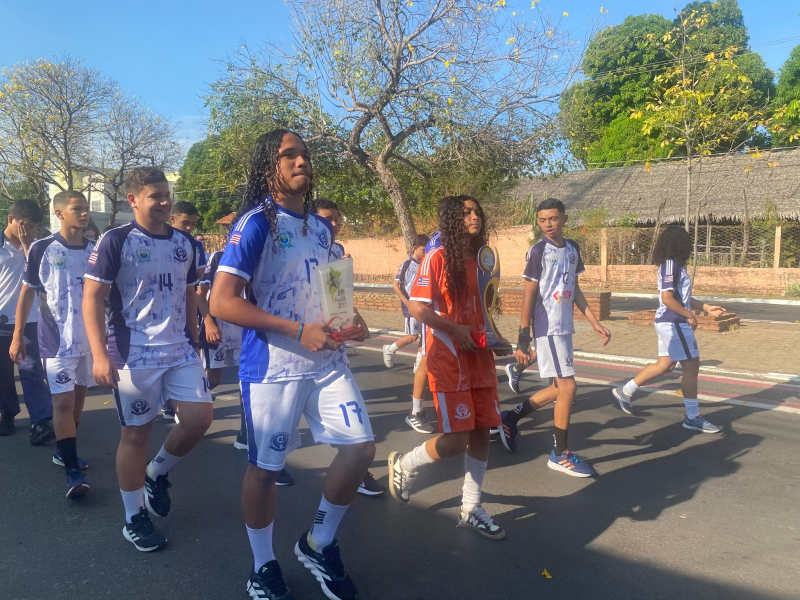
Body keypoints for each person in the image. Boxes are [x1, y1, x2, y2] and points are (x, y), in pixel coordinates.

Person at [210, 129, 375, 600]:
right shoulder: (255, 224)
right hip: (273, 368)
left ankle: (319, 542)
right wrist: (298, 330)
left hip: (326, 361)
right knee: (265, 469)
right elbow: (222, 302)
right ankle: (262, 565)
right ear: (269, 168)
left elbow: (332, 292)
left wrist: (351, 319)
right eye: (289, 155)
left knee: (360, 450)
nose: (301, 160)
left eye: (304, 154)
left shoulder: (322, 229)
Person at [83, 166, 213, 552]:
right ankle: (134, 517)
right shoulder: (116, 240)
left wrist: (194, 337)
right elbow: (92, 298)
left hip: (179, 349)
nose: (164, 202)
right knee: (136, 435)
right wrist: (99, 355)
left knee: (199, 419)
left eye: (167, 194)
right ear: (133, 200)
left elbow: (189, 292)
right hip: (133, 354)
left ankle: (156, 472)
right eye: (155, 196)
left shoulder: (185, 242)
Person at [387, 195, 511, 540]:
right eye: (466, 212)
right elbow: (418, 308)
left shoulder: (484, 260)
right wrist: (455, 330)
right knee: (458, 440)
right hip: (449, 357)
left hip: (480, 357)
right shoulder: (437, 257)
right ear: (453, 220)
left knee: (483, 432)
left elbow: (483, 310)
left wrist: (497, 337)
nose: (474, 217)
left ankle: (471, 507)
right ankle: (405, 464)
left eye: (477, 211)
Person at [498, 199, 611, 478]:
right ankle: (560, 454)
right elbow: (528, 295)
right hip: (547, 326)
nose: (548, 224)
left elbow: (575, 288)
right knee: (568, 388)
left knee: (560, 389)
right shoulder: (538, 251)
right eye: (542, 220)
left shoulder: (572, 248)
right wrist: (523, 338)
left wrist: (594, 322)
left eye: (553, 218)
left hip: (565, 327)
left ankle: (510, 417)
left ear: (564, 219)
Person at [10, 191, 94, 498]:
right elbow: (27, 293)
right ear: (59, 214)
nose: (84, 213)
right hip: (56, 341)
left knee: (79, 397)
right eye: (77, 209)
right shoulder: (42, 248)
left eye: (86, 208)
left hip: (89, 340)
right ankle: (72, 471)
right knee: (62, 402)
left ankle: (63, 449)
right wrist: (18, 335)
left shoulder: (96, 250)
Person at [613, 225, 724, 433]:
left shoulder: (673, 266)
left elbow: (681, 298)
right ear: (681, 244)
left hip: (669, 322)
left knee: (666, 364)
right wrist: (690, 315)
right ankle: (692, 417)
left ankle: (625, 390)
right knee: (691, 367)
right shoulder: (671, 265)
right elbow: (667, 299)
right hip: (674, 323)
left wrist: (706, 307)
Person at [313, 199, 384, 496]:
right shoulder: (293, 247)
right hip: (291, 355)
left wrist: (356, 320)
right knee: (271, 452)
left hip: (330, 355)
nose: (335, 224)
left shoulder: (337, 251)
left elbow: (340, 295)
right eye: (328, 219)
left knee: (356, 440)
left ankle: (359, 473)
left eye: (338, 219)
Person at [0, 200, 54, 442]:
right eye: (25, 225)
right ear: (11, 219)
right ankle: (7, 413)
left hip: (31, 320)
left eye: (32, 226)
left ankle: (40, 422)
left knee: (32, 370)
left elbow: (42, 276)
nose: (28, 230)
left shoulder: (37, 246)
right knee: (2, 374)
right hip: (2, 321)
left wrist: (27, 245)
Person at [382, 234, 436, 434]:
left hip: (423, 306)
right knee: (413, 337)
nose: (426, 253)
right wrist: (407, 302)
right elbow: (396, 285)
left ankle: (418, 365)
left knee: (423, 337)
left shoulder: (426, 264)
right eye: (423, 249)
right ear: (415, 248)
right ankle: (390, 348)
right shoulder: (407, 264)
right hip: (411, 307)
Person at [162, 201, 208, 423]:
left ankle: (178, 404)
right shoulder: (159, 239)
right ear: (173, 219)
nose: (189, 228)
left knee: (187, 355)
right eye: (185, 223)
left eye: (193, 224)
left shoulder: (195, 245)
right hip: (159, 313)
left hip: (185, 308)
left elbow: (196, 280)